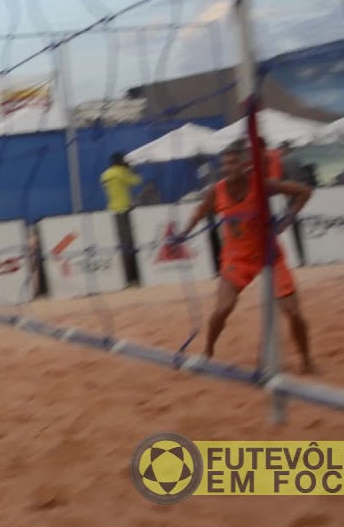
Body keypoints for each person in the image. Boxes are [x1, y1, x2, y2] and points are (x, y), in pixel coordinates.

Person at [175, 142, 315, 373]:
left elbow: (304, 192)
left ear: (245, 164)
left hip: (269, 255)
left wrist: (287, 219)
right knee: (223, 309)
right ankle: (208, 352)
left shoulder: (262, 184)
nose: (227, 168)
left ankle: (307, 360)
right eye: (224, 164)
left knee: (293, 312)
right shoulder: (217, 190)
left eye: (233, 163)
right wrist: (184, 233)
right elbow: (200, 212)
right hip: (236, 258)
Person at [100, 152, 141, 286]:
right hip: (124, 209)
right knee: (129, 243)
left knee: (120, 244)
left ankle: (125, 277)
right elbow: (136, 181)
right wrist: (130, 170)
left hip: (112, 209)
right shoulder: (121, 172)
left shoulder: (105, 174)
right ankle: (133, 276)